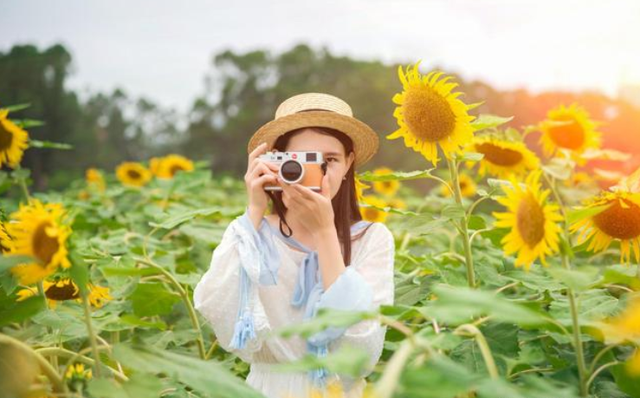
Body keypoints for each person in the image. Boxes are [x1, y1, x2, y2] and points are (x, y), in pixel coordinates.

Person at [193, 92, 395, 398]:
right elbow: (218, 311)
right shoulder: (250, 234)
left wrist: (325, 231)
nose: (315, 173)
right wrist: (254, 211)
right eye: (302, 160)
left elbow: (362, 349)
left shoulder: (370, 240)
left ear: (349, 162)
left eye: (329, 160)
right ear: (276, 162)